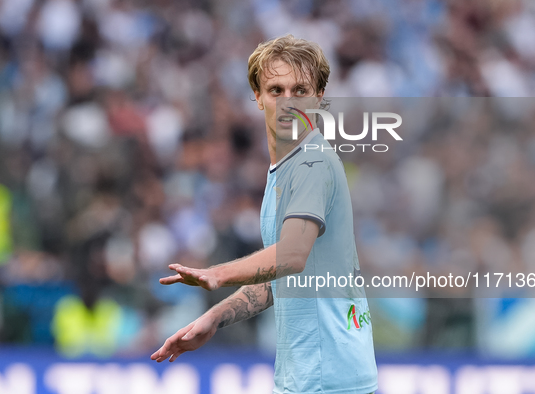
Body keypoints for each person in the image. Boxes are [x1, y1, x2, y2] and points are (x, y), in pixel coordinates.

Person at [151, 34, 378, 394]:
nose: (288, 102)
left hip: (327, 379)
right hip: (310, 377)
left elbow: (291, 256)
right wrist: (214, 317)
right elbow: (280, 280)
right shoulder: (285, 170)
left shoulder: (311, 163)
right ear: (257, 97)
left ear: (319, 97)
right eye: (276, 90)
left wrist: (217, 274)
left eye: (300, 90)